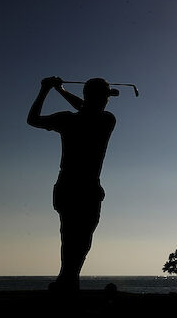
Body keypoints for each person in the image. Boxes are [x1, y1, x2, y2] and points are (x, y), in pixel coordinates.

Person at [28, 76, 117, 292]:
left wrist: (51, 89)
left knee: (77, 238)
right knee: (74, 237)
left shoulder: (74, 119)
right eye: (104, 97)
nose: (107, 101)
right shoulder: (104, 119)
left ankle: (67, 280)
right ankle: (67, 281)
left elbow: (83, 109)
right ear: (96, 97)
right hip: (80, 186)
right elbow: (34, 120)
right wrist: (54, 89)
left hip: (75, 186)